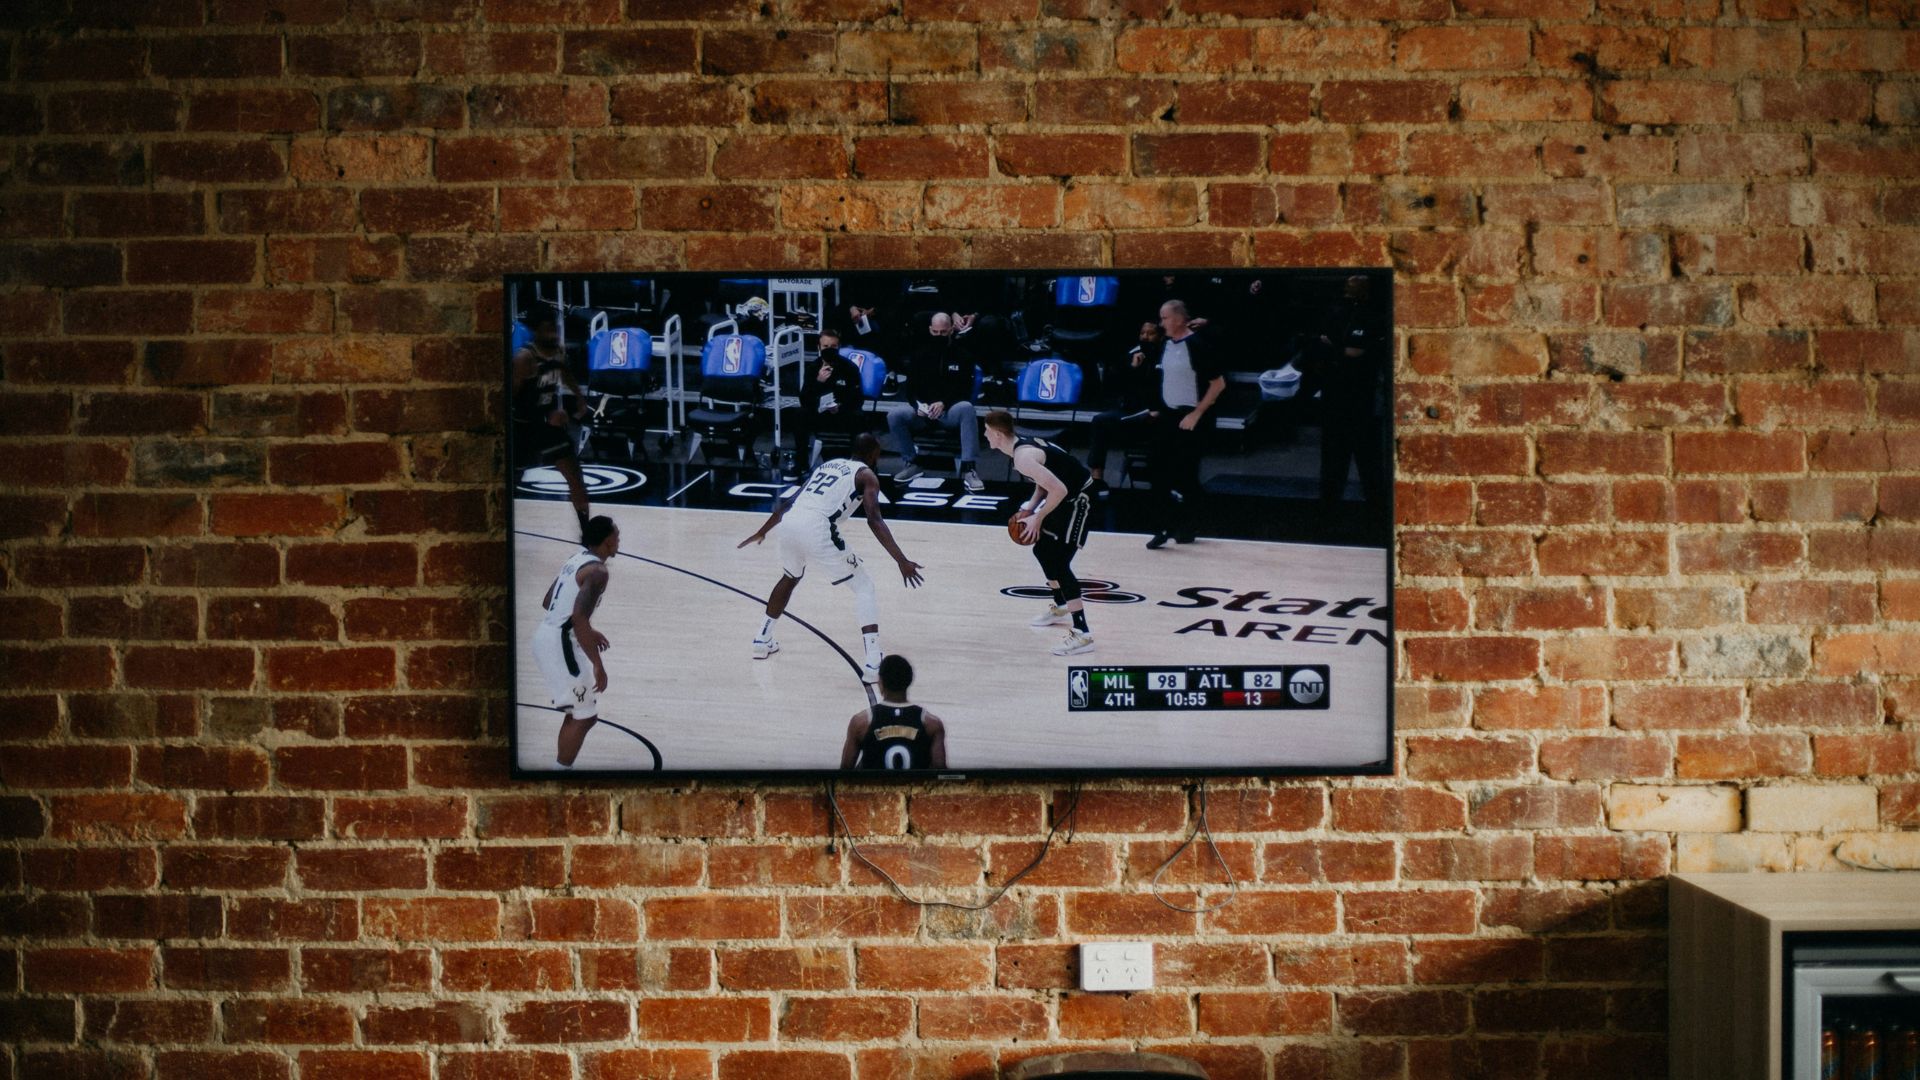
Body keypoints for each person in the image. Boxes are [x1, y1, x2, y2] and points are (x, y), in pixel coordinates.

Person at [738, 433, 924, 684]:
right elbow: (874, 520)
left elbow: (791, 501)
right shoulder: (867, 476)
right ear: (873, 453)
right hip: (817, 527)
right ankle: (873, 661)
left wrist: (763, 530)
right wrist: (901, 560)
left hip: (790, 523)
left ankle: (762, 639)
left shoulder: (828, 465)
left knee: (790, 576)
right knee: (864, 587)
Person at [982, 410, 1097, 656]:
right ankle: (1061, 604)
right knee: (1042, 550)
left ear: (998, 434)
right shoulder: (1021, 448)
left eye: (987, 431)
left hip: (1079, 499)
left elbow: (1059, 489)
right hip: (1064, 495)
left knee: (1060, 562)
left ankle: (1083, 634)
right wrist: (1031, 507)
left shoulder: (1022, 458)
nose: (984, 435)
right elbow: (1045, 480)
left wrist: (1038, 517)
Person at [532, 515, 619, 769]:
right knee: (584, 717)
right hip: (559, 644)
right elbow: (579, 617)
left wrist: (588, 630)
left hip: (548, 635)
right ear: (607, 540)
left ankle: (561, 769)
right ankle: (559, 773)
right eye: (616, 535)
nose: (619, 540)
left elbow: (548, 602)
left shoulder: (576, 559)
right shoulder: (599, 572)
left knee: (580, 715)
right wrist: (598, 665)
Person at [1306, 274, 1391, 527]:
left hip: (1363, 397)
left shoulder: (1372, 316)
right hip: (1336, 395)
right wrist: (1337, 350)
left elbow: (1357, 351)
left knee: (1368, 459)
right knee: (1334, 457)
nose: (1350, 288)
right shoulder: (1336, 312)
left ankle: (1377, 513)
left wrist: (1335, 348)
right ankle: (1328, 512)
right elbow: (1322, 344)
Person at [1145, 299, 1226, 550]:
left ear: (1179, 319)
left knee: (1186, 473)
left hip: (1190, 417)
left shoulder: (1198, 345)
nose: (1162, 323)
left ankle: (1188, 525)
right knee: (1157, 467)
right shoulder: (1165, 345)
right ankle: (1162, 526)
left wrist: (1197, 413)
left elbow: (1218, 384)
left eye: (1165, 318)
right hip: (1168, 415)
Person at [512, 309, 592, 537]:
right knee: (513, 480)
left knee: (575, 477)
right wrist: (546, 416)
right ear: (537, 332)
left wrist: (579, 397)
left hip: (548, 428)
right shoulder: (524, 359)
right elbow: (510, 400)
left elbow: (565, 372)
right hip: (523, 427)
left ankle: (586, 533)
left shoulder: (558, 352)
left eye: (554, 328)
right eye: (548, 329)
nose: (554, 333)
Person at [887, 312, 985, 492]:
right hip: (923, 412)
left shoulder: (963, 355)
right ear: (930, 330)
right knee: (895, 415)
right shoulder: (919, 355)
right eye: (936, 332)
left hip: (950, 411)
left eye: (943, 332)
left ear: (951, 330)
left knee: (967, 408)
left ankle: (969, 468)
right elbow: (910, 390)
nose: (939, 336)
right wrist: (918, 406)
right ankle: (912, 463)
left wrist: (943, 403)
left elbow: (965, 390)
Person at [1083, 320, 1165, 496]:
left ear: (1160, 336)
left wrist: (1158, 410)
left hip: (1157, 413)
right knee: (1099, 421)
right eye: (1142, 333)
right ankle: (1097, 480)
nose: (1145, 337)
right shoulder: (1131, 355)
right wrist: (1132, 368)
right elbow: (1114, 385)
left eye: (1150, 333)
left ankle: (1162, 485)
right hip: (1130, 412)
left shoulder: (1166, 355)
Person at [786, 327, 867, 482]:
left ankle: (859, 467)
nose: (829, 350)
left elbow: (858, 399)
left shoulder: (849, 368)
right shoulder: (813, 368)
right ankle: (801, 464)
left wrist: (840, 406)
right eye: (825, 346)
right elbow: (804, 399)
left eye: (833, 347)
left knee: (859, 417)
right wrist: (818, 382)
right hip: (819, 414)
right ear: (819, 347)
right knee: (799, 414)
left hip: (842, 413)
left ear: (839, 347)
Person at [840, 654, 947, 770]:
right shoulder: (931, 724)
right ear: (910, 680)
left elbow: (844, 772)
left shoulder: (861, 723)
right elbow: (941, 774)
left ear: (880, 682)